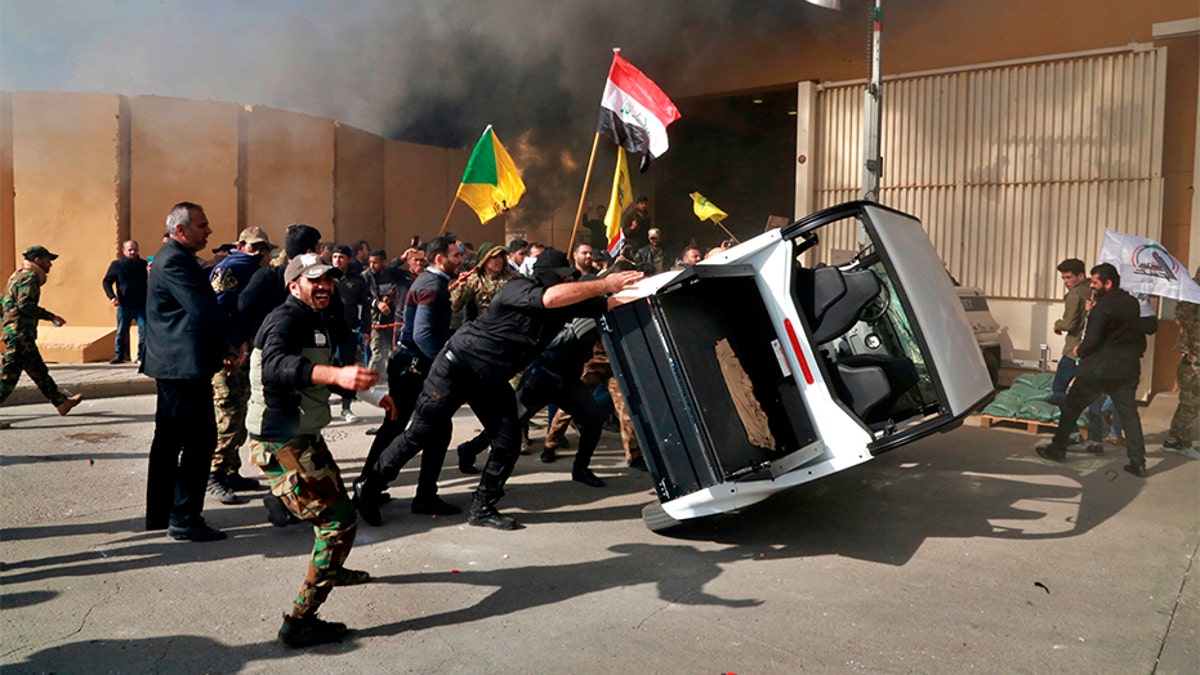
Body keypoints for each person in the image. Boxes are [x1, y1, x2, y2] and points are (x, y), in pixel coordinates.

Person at [353, 248, 643, 530]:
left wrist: (647, 291)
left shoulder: (562, 300)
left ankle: (482, 507)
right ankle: (370, 487)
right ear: (546, 275)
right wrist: (606, 283)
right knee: (420, 433)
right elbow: (551, 298)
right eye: (562, 276)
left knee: (507, 441)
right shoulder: (518, 287)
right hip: (458, 366)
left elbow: (605, 305)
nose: (567, 280)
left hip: (490, 378)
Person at [247, 252, 386, 648]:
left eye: (328, 279)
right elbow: (277, 365)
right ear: (294, 286)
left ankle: (331, 565)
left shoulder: (316, 318)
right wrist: (335, 373)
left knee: (336, 501)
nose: (324, 286)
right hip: (281, 438)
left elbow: (319, 376)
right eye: (314, 280)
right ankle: (299, 621)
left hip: (304, 431)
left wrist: (373, 395)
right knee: (338, 522)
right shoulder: (285, 319)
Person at [144, 202, 237, 541]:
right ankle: (183, 517)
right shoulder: (174, 262)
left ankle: (165, 512)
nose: (208, 231)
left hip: (179, 365)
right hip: (181, 368)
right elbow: (203, 310)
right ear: (180, 230)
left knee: (171, 441)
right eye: (202, 225)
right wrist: (231, 343)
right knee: (199, 442)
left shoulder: (175, 259)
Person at [354, 237, 466, 517]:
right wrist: (446, 362)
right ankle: (378, 487)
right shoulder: (431, 286)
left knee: (405, 426)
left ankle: (372, 484)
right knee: (426, 428)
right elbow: (423, 334)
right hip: (415, 366)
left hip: (410, 364)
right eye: (455, 255)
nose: (461, 260)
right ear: (439, 259)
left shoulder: (432, 281)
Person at [458, 317, 610, 488]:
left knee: (593, 420)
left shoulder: (592, 305)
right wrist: (576, 331)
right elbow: (539, 341)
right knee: (506, 426)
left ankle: (581, 468)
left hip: (569, 380)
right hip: (542, 377)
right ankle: (469, 449)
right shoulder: (555, 304)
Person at [1036, 263, 1152, 477]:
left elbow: (1093, 340)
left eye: (1095, 282)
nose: (1092, 285)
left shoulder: (1102, 307)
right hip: (1126, 370)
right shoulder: (1131, 303)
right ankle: (1138, 461)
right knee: (1129, 415)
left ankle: (1058, 448)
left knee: (1072, 407)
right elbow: (1140, 330)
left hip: (1098, 370)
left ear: (1108, 283)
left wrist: (1080, 350)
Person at [205, 226, 277, 504]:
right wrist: (229, 346)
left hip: (243, 349)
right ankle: (214, 475)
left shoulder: (251, 269)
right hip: (228, 352)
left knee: (241, 411)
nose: (259, 254)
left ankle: (230, 470)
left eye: (264, 249)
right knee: (227, 413)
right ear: (240, 245)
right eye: (254, 248)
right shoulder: (233, 267)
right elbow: (219, 310)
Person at [0, 246, 83, 426]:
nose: (50, 265)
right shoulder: (30, 278)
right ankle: (60, 402)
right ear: (37, 260)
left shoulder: (17, 275)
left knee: (39, 371)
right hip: (19, 335)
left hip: (19, 334)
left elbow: (4, 302)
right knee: (7, 377)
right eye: (47, 260)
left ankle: (61, 402)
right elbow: (25, 306)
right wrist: (51, 316)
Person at [1163, 266, 1200, 460]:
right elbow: (1184, 316)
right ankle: (1184, 443)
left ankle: (1173, 439)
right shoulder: (1192, 296)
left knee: (1188, 402)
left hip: (1194, 359)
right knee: (1191, 404)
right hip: (1194, 361)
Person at [332, 245, 370, 422]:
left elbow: (366, 307)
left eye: (341, 257)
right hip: (328, 331)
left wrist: (366, 330)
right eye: (334, 257)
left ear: (348, 259)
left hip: (349, 330)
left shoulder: (358, 281)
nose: (337, 260)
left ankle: (345, 408)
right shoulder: (326, 278)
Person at [102, 239, 148, 364]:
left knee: (144, 331)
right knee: (121, 331)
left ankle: (141, 356)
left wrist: (151, 272)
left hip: (141, 304)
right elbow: (107, 282)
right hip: (124, 304)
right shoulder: (117, 265)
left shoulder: (144, 265)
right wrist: (112, 296)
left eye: (135, 250)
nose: (133, 252)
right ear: (124, 251)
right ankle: (119, 355)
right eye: (130, 250)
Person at [1051, 258, 1090, 405]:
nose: (1066, 282)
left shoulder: (1075, 294)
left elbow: (1069, 324)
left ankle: (1070, 424)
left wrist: (1057, 324)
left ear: (1080, 276)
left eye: (1069, 277)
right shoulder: (1092, 290)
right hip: (1089, 349)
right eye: (1063, 278)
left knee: (1058, 389)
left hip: (1073, 351)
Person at [364, 249, 396, 372]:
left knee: (390, 352)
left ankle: (388, 379)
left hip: (390, 319)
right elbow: (364, 297)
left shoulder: (390, 275)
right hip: (374, 321)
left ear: (383, 262)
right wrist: (377, 303)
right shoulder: (366, 276)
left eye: (375, 262)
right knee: (377, 353)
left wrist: (390, 297)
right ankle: (368, 380)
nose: (372, 265)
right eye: (370, 262)